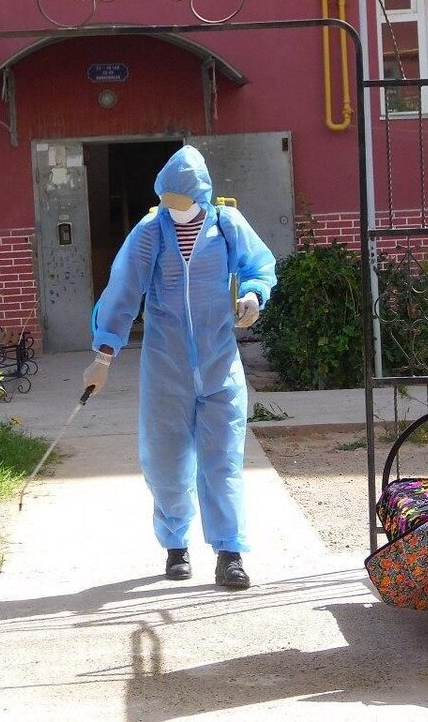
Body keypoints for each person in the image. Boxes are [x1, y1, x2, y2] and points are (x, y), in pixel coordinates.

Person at [83, 146, 276, 589]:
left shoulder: (228, 224)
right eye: (167, 200)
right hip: (165, 366)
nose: (174, 209)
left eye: (182, 201)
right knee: (166, 461)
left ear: (201, 195)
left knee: (223, 461)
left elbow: (259, 266)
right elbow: (122, 292)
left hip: (219, 363)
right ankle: (175, 545)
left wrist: (253, 295)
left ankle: (229, 553)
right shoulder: (150, 232)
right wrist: (103, 357)